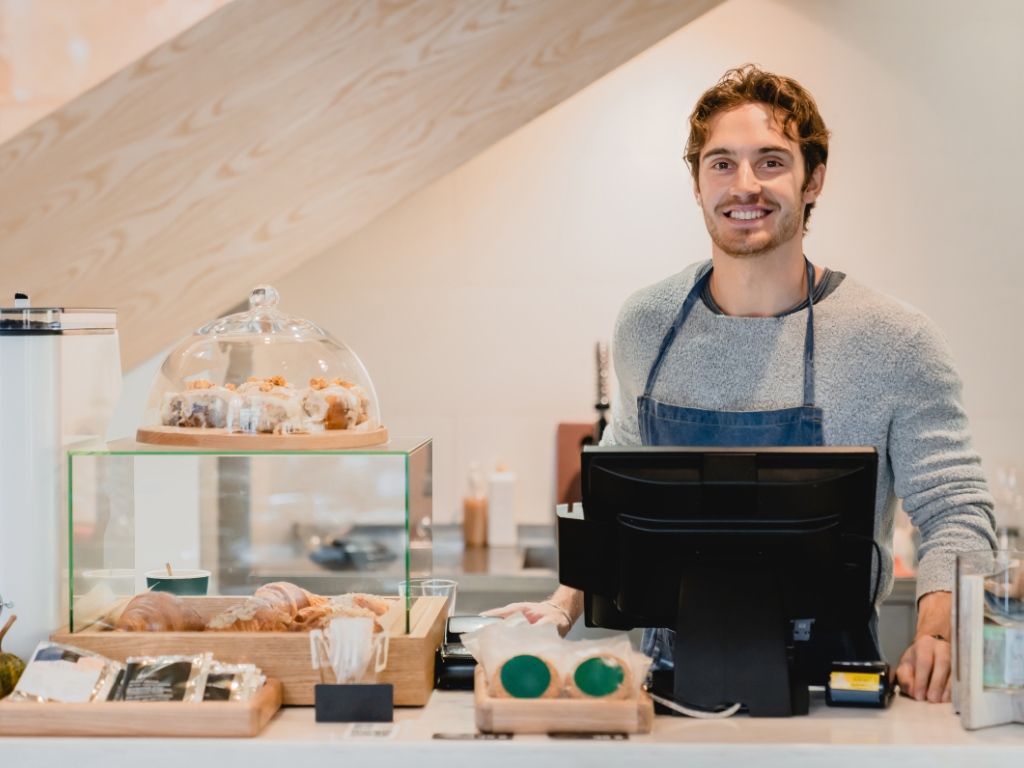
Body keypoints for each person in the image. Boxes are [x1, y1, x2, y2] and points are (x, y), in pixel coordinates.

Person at [485, 64, 997, 704]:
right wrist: (561, 606)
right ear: (697, 184)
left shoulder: (893, 339)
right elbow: (619, 488)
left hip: (829, 691)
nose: (744, 185)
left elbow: (954, 508)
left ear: (813, 180)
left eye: (771, 162)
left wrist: (939, 635)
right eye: (722, 163)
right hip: (666, 690)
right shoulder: (647, 324)